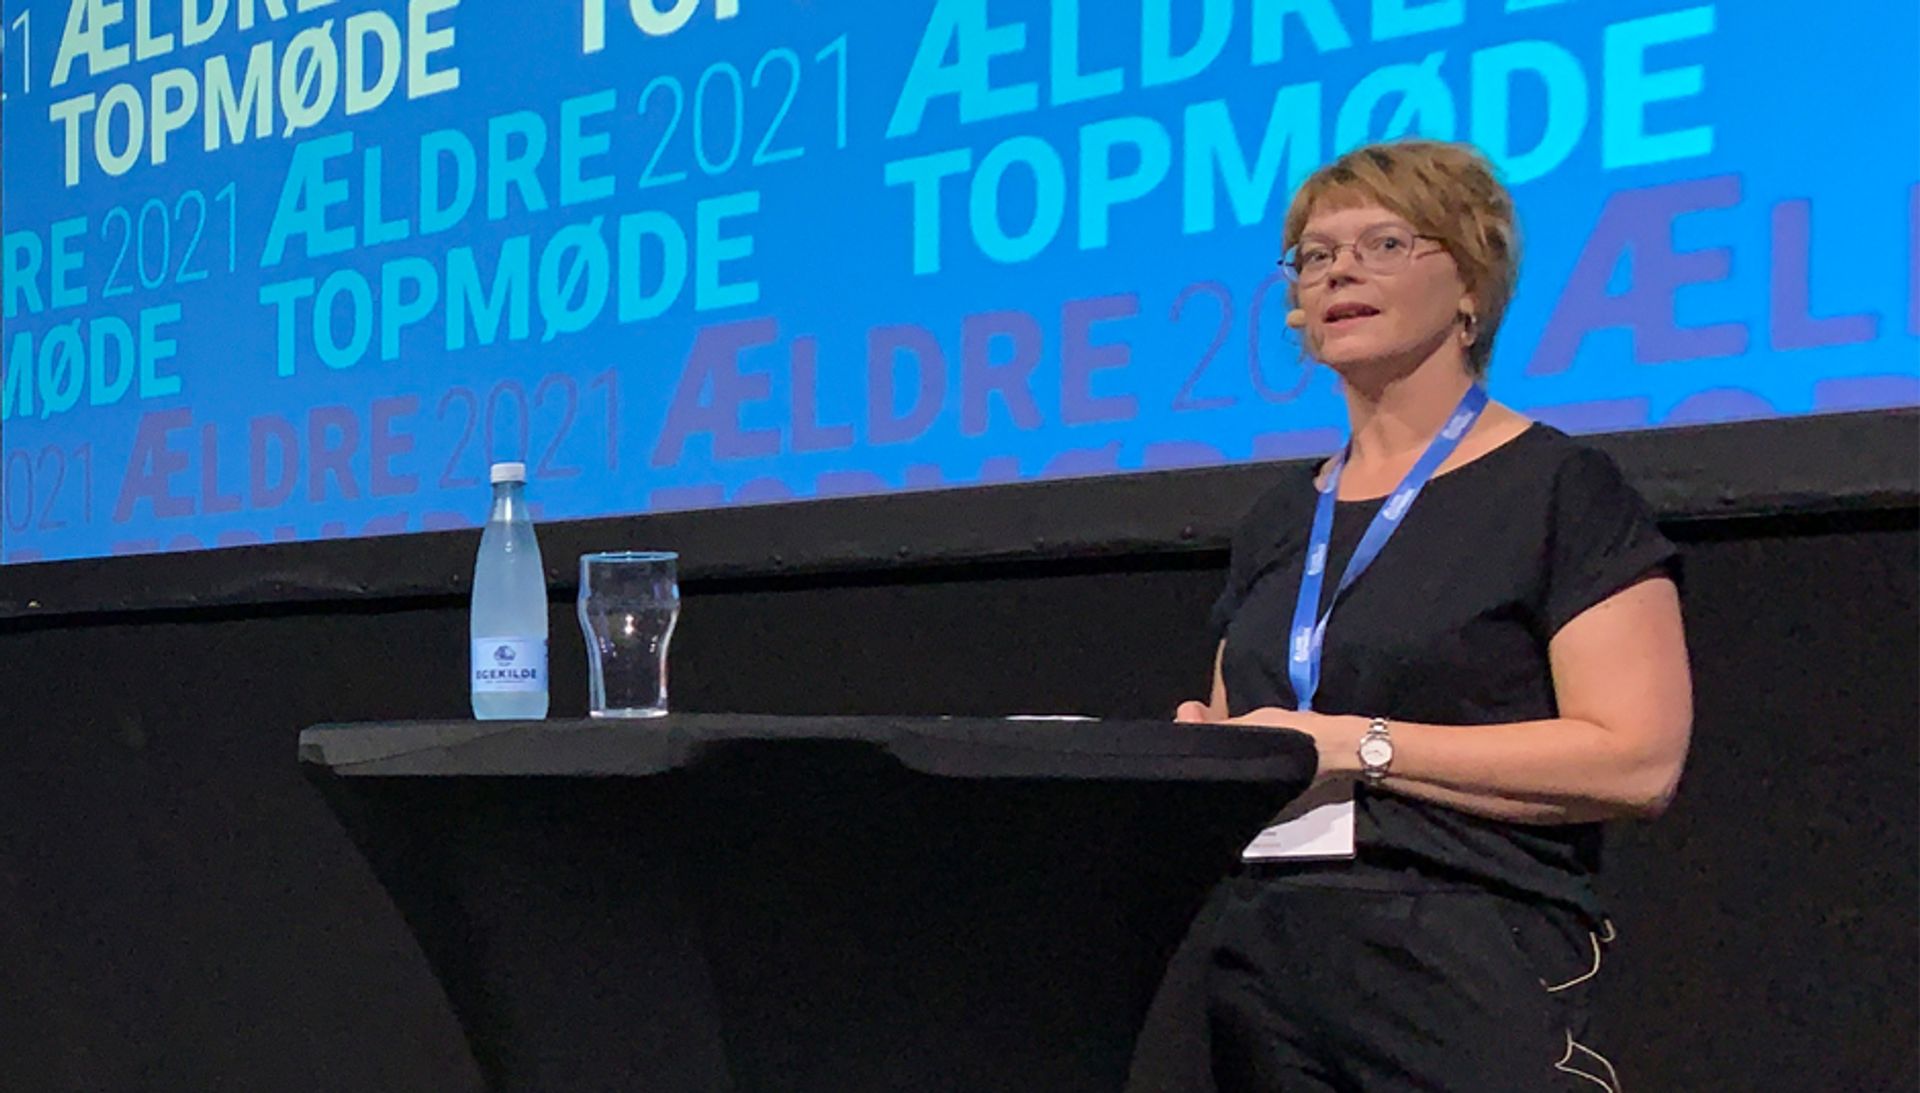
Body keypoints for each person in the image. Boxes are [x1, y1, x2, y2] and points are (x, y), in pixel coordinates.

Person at [1174, 140, 1693, 1091]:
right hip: (1266, 957)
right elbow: (1248, 721)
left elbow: (1637, 758)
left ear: (1470, 288)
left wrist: (1360, 745)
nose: (1339, 272)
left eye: (1383, 243)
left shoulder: (1559, 488)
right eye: (1316, 255)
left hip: (1463, 949)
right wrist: (1204, 752)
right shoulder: (1280, 518)